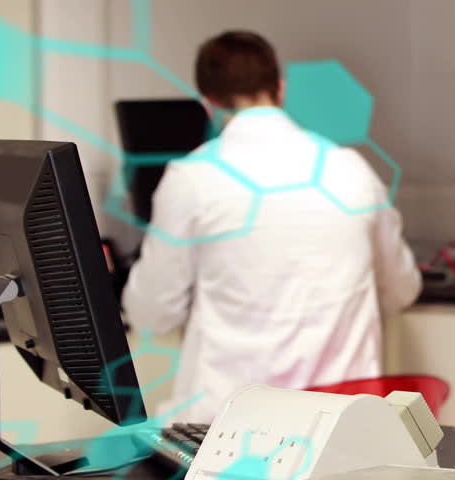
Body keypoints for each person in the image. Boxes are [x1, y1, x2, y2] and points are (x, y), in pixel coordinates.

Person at [122, 31, 422, 423]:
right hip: (339, 428)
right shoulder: (352, 170)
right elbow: (401, 289)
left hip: (229, 431)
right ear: (280, 90)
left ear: (208, 104)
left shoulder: (192, 178)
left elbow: (151, 312)